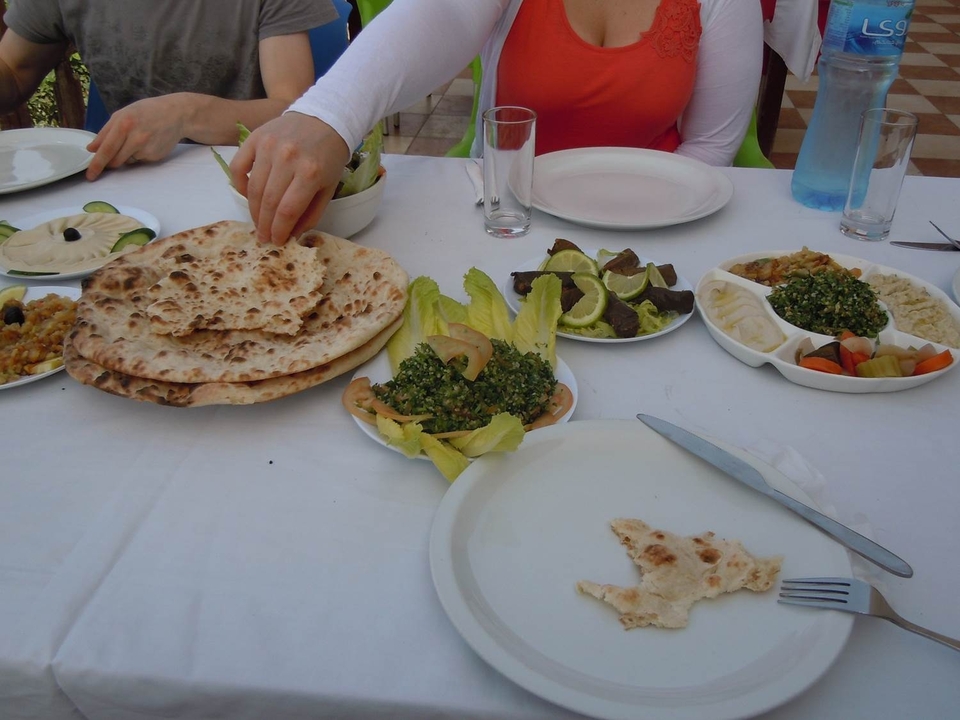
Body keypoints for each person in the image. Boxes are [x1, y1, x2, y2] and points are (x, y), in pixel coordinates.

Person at [231, 0, 763, 246]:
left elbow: (712, 146)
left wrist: (641, 229)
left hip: (658, 225)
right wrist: (329, 114)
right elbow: (442, 13)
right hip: (510, 219)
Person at [0, 0, 339, 180]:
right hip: (119, 192)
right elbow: (13, 72)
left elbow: (294, 113)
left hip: (242, 185)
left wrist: (185, 113)